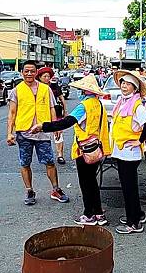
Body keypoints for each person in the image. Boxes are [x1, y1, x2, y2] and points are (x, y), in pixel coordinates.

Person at [30, 74, 111, 226]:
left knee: (86, 183)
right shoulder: (98, 104)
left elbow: (67, 122)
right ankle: (99, 214)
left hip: (84, 150)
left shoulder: (84, 106)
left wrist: (44, 126)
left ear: (84, 90)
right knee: (92, 182)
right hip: (96, 148)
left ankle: (89, 215)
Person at [6, 60, 69, 206]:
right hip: (24, 132)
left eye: (32, 71)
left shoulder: (45, 89)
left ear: (36, 72)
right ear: (22, 72)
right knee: (25, 163)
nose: (29, 73)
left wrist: (55, 127)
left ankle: (56, 189)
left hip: (43, 132)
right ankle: (29, 191)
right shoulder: (16, 90)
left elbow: (52, 108)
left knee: (49, 162)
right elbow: (12, 113)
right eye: (26, 71)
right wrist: (9, 133)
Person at [110, 70, 146, 234]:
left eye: (128, 84)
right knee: (129, 186)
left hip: (129, 153)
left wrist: (140, 140)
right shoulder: (122, 102)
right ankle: (137, 214)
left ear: (135, 88)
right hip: (122, 151)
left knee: (129, 188)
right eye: (122, 83)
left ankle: (133, 223)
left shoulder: (136, 105)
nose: (124, 86)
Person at [36, 67, 68, 164]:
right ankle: (45, 155)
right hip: (43, 114)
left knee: (58, 133)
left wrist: (65, 111)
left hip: (56, 112)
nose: (47, 78)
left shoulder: (54, 86)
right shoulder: (37, 87)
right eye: (44, 76)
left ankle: (60, 155)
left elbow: (62, 99)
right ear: (40, 77)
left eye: (48, 76)